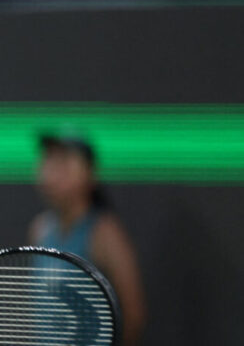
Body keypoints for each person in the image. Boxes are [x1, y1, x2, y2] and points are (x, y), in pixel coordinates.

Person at [28, 130, 147, 346]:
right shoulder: (40, 229)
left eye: (64, 161)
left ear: (89, 173)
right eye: (48, 159)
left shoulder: (105, 233)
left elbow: (133, 314)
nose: (51, 170)